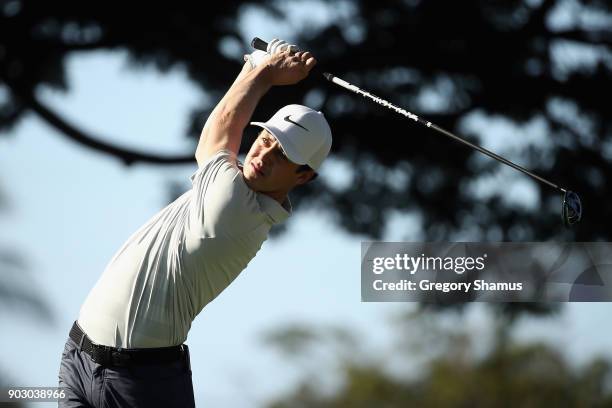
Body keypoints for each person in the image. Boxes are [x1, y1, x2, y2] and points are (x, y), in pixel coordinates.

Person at [57, 39, 332, 408]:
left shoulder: (236, 208)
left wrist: (265, 72)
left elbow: (220, 129)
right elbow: (230, 123)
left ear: (303, 177)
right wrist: (254, 66)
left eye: (283, 155)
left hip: (142, 384)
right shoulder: (236, 185)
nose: (263, 154)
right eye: (266, 139)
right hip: (79, 356)